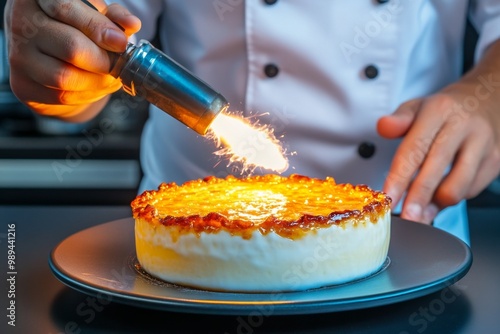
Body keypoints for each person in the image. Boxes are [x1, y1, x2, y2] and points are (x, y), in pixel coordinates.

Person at [4, 0, 500, 244]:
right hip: (187, 242)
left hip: (411, 231)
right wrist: (63, 59)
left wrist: (489, 96)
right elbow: (101, 29)